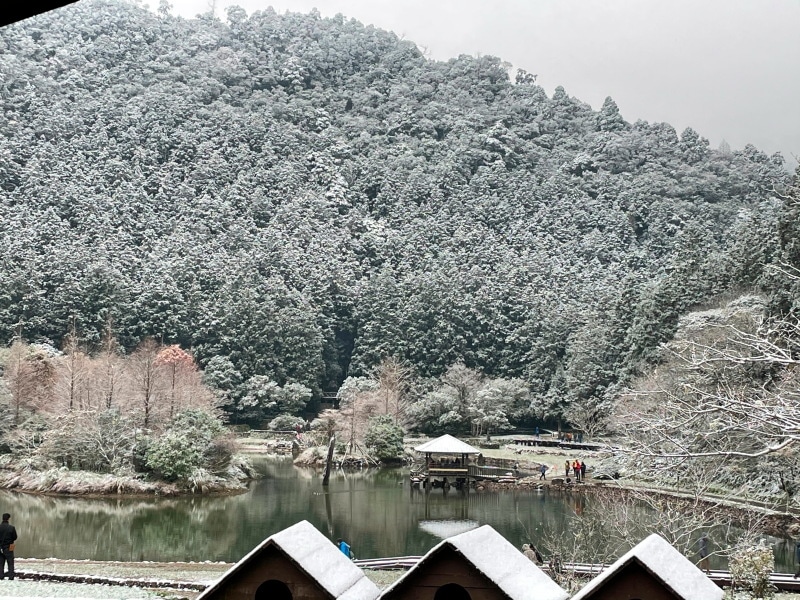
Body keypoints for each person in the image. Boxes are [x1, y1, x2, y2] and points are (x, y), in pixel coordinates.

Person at [0, 513, 17, 580]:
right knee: (10, 563)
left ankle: (1, 576)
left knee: (1, 563)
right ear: (8, 519)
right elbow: (15, 537)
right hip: (10, 546)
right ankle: (11, 576)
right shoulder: (12, 528)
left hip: (0, 547)